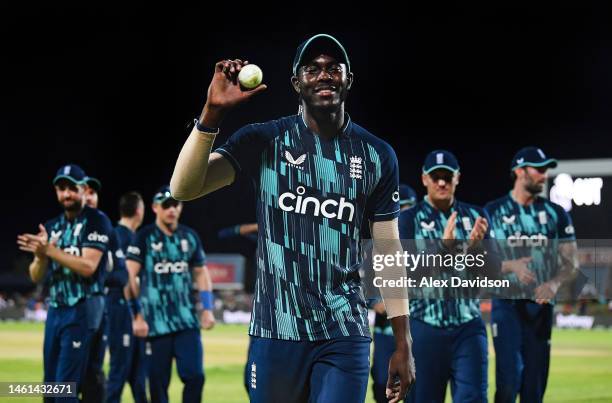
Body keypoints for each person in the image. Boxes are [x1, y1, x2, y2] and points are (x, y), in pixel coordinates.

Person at [169, 33, 415, 403]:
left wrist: (403, 341)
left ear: (349, 79)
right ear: (296, 83)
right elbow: (183, 189)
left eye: (334, 68)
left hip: (343, 330)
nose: (324, 75)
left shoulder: (377, 155)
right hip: (275, 330)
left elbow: (388, 252)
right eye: (312, 68)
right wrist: (212, 113)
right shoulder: (264, 140)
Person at [485, 147, 579, 403]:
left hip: (541, 308)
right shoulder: (491, 212)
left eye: (546, 170)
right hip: (506, 306)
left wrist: (554, 283)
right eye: (538, 170)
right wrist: (509, 266)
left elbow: (571, 262)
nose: (544, 175)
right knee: (508, 383)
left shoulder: (556, 214)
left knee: (534, 389)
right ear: (519, 171)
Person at [399, 150, 494, 403]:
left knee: (473, 398)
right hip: (424, 325)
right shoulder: (407, 220)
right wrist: (442, 248)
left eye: (447, 176)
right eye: (435, 176)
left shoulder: (478, 217)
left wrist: (476, 250)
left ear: (457, 178)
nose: (442, 182)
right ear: (424, 179)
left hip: (468, 326)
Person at [17, 164, 112, 403]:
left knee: (65, 389)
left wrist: (49, 250)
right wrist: (40, 256)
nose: (66, 194)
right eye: (61, 188)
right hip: (56, 311)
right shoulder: (51, 227)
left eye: (72, 188)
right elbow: (36, 276)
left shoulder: (97, 221)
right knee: (50, 389)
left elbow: (88, 266)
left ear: (83, 189)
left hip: (82, 310)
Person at [126, 186, 215, 403]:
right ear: (155, 208)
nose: (171, 209)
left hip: (186, 321)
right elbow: (128, 276)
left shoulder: (190, 236)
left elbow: (202, 274)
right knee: (157, 384)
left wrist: (207, 309)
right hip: (155, 324)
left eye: (175, 204)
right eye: (166, 205)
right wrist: (136, 315)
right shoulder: (144, 237)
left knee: (195, 376)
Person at [370, 184, 416, 403]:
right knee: (381, 382)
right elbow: (363, 278)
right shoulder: (378, 241)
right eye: (401, 208)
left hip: (413, 328)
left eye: (409, 207)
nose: (405, 213)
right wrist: (374, 301)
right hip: (384, 328)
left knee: (412, 384)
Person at [106, 191, 148, 403]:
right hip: (122, 311)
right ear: (139, 211)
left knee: (138, 376)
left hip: (125, 309)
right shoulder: (124, 237)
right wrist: (136, 315)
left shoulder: (116, 234)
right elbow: (126, 279)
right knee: (119, 371)